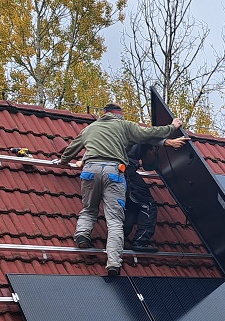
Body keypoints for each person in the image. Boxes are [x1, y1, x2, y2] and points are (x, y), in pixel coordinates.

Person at [58, 104, 181, 276]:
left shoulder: (89, 129)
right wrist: (172, 128)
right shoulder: (125, 126)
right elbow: (149, 134)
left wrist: (63, 161)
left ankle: (82, 236)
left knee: (89, 209)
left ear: (104, 114)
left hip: (90, 170)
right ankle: (113, 263)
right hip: (114, 172)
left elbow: (71, 149)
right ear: (119, 115)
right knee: (115, 220)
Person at [123, 134, 187, 253]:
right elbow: (149, 159)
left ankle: (120, 237)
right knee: (148, 205)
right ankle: (141, 241)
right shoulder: (144, 140)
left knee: (132, 204)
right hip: (125, 172)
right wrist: (170, 143)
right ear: (152, 149)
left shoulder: (127, 136)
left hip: (110, 170)